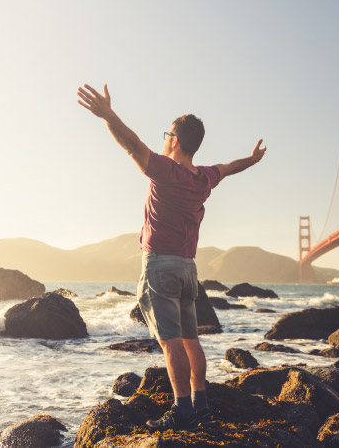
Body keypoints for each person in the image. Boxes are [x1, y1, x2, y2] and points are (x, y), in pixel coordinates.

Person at [77, 84, 267, 431]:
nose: (164, 139)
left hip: (161, 266)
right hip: (187, 269)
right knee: (190, 339)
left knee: (170, 343)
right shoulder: (204, 177)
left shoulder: (165, 170)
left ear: (175, 140)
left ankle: (182, 411)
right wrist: (252, 160)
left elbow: (132, 144)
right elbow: (228, 167)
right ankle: (201, 404)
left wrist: (107, 115)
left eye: (167, 134)